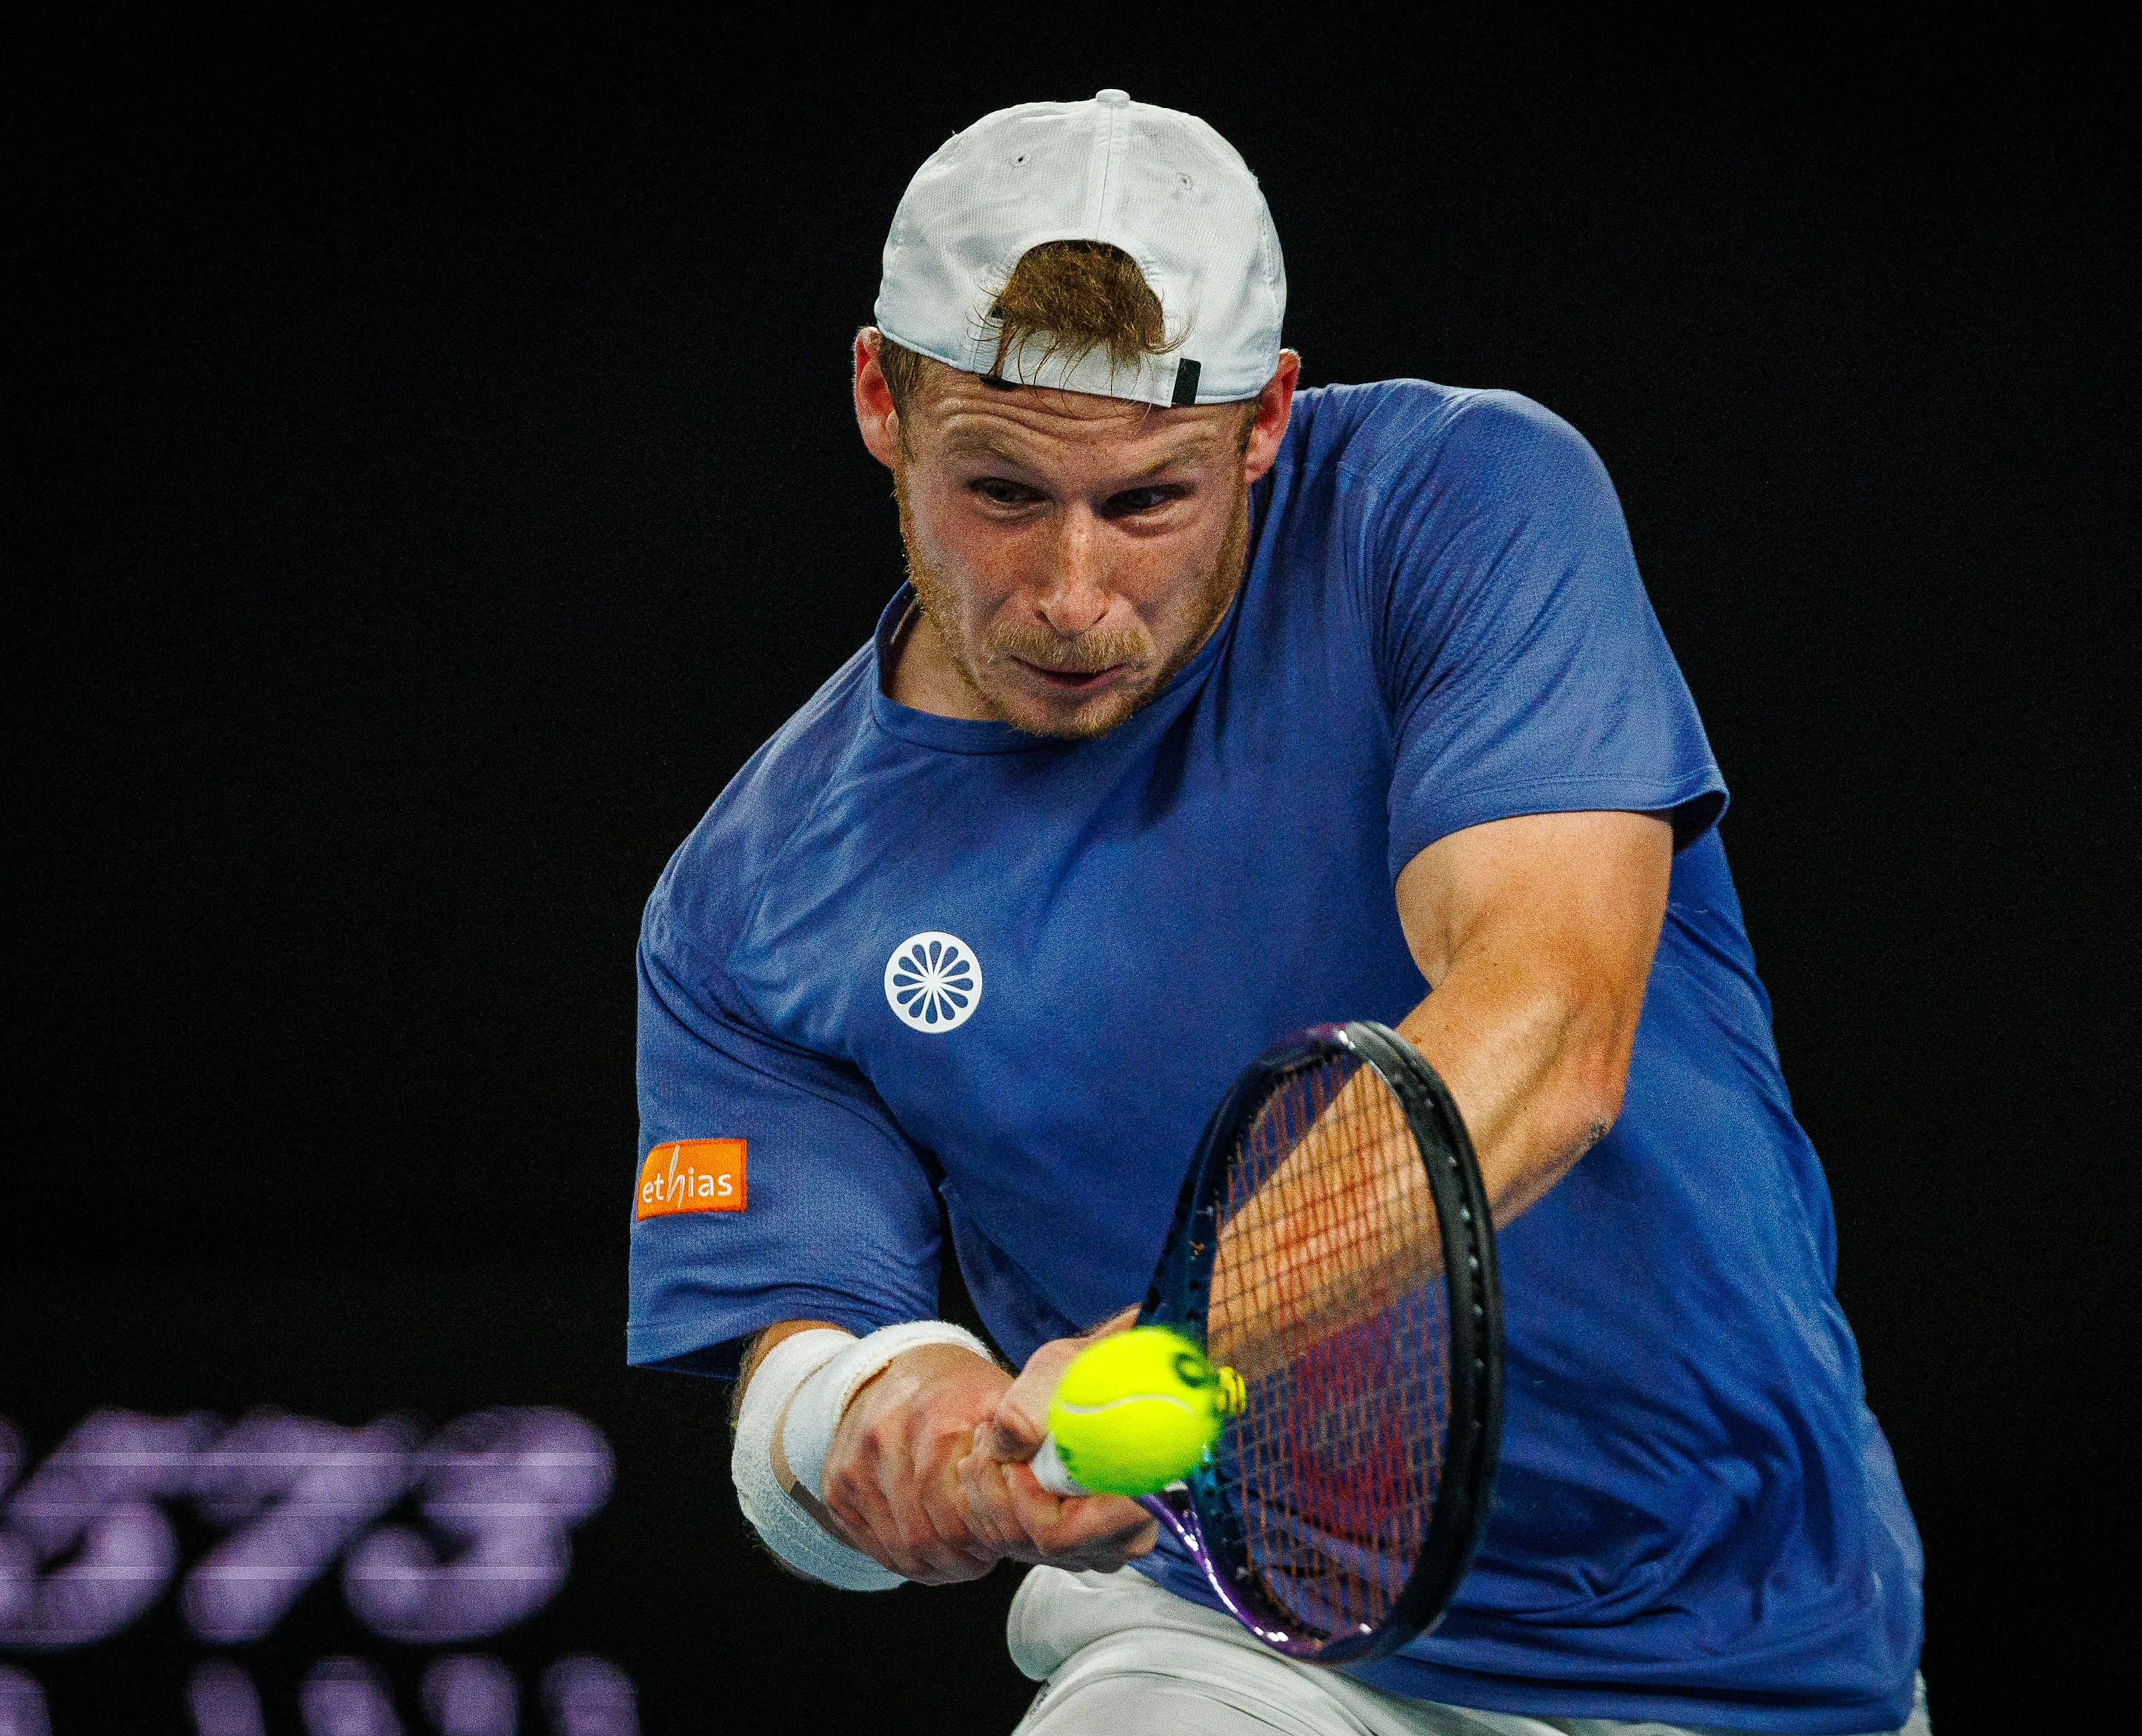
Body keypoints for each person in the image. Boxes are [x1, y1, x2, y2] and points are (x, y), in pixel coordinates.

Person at [628, 91, 1926, 1735]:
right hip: (1234, 1645)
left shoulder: (1461, 503)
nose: (1074, 590)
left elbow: (1551, 1025)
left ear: (1266, 423)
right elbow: (792, 1358)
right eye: (1004, 494)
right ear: (882, 398)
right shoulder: (746, 903)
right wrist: (883, 1418)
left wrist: (1174, 1354)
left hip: (1759, 1647)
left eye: (1148, 501)